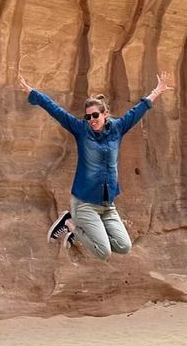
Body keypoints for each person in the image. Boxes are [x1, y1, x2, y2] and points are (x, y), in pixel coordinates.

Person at [17, 71, 173, 260]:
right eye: (88, 116)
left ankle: (79, 230)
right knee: (104, 252)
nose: (91, 120)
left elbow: (137, 111)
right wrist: (32, 93)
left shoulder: (117, 128)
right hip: (85, 204)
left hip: (107, 205)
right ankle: (70, 223)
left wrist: (157, 91)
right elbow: (56, 111)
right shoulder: (81, 130)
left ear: (105, 114)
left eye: (95, 115)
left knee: (124, 247)